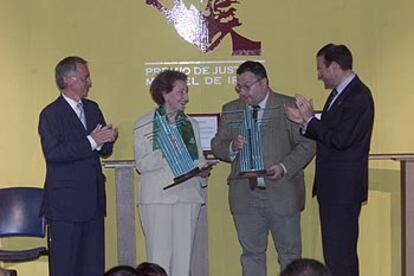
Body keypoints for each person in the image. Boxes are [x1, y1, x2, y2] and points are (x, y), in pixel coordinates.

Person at [211, 61, 316, 275]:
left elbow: (308, 144)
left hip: (282, 192)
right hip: (244, 195)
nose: (243, 92)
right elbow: (217, 145)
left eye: (247, 86)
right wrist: (232, 147)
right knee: (251, 254)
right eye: (239, 87)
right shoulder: (230, 110)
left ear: (264, 82)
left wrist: (284, 167)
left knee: (289, 255)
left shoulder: (287, 106)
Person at [285, 44, 375, 276]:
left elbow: (342, 139)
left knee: (340, 255)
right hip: (334, 189)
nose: (319, 74)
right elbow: (329, 132)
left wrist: (309, 120)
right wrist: (305, 122)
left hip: (343, 189)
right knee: (335, 253)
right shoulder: (339, 94)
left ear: (334, 66)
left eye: (320, 68)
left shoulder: (358, 96)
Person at [38, 56, 118, 276]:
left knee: (93, 266)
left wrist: (107, 139)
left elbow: (104, 150)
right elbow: (53, 153)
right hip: (65, 205)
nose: (89, 82)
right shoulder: (50, 114)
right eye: (85, 77)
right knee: (65, 267)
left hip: (93, 202)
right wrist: (92, 141)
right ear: (69, 79)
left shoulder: (93, 108)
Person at [134, 70, 210, 276]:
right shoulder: (144, 124)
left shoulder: (191, 124)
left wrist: (203, 173)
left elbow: (199, 159)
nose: (186, 97)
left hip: (188, 196)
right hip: (158, 197)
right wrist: (166, 149)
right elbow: (142, 164)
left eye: (186, 92)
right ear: (165, 93)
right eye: (181, 92)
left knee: (183, 259)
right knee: (158, 258)